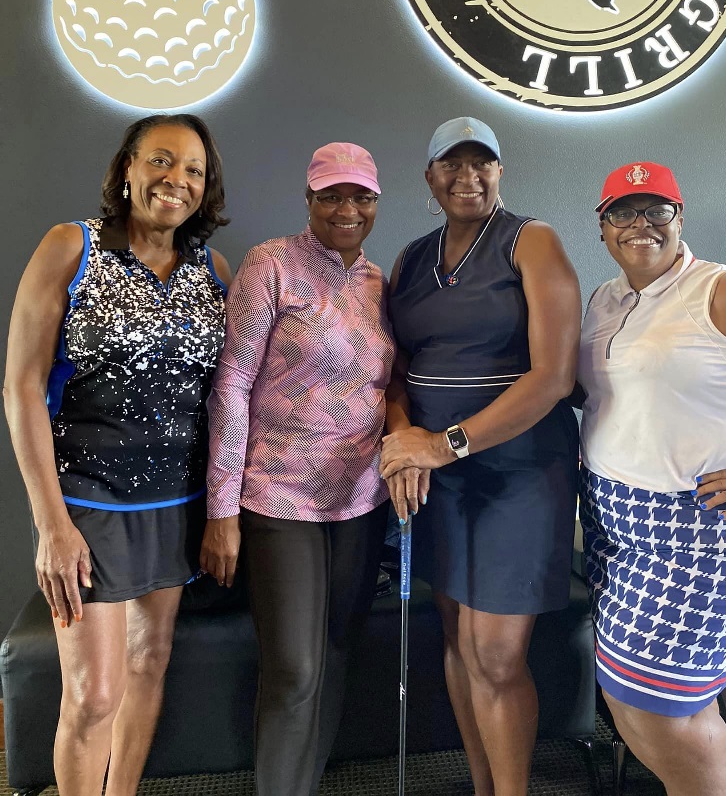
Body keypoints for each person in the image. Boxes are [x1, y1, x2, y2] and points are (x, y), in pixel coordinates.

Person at [3, 113, 231, 796]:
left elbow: (225, 395)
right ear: (127, 168)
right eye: (161, 160)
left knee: (148, 662)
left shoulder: (212, 270)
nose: (176, 179)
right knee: (94, 693)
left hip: (177, 500)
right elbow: (20, 387)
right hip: (86, 500)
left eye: (193, 169)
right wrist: (51, 524)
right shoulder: (71, 248)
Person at [380, 117, 581, 796]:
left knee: (494, 654)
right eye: (452, 165)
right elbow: (396, 372)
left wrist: (442, 445)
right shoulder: (410, 259)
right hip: (440, 482)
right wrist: (405, 446)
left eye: (481, 164)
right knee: (458, 641)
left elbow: (553, 377)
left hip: (518, 472)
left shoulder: (531, 241)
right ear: (429, 177)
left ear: (500, 171)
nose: (468, 177)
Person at [201, 142, 395, 796]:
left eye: (360, 196)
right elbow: (231, 385)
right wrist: (222, 511)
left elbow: (388, 383)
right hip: (278, 497)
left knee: (336, 654)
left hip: (361, 498)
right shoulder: (271, 264)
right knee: (295, 668)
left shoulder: (379, 283)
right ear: (309, 198)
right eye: (331, 195)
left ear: (376, 203)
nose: (346, 209)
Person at [578, 161, 726, 796]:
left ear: (679, 218)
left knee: (668, 713)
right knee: (628, 698)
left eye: (656, 210)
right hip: (613, 530)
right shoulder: (604, 299)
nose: (640, 224)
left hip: (699, 536)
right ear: (602, 226)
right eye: (622, 211)